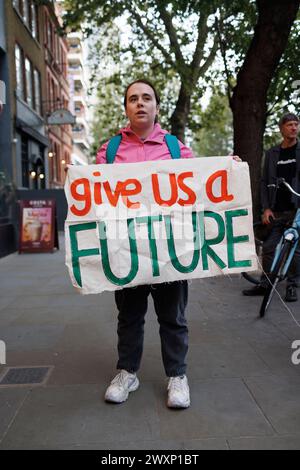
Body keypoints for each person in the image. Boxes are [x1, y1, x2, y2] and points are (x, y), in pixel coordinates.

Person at [96, 79, 193, 409]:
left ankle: (177, 376)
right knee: (129, 317)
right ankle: (127, 373)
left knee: (173, 317)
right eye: (133, 99)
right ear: (126, 108)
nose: (140, 103)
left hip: (169, 249)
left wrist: (231, 171)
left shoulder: (176, 148)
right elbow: (94, 195)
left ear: (156, 106)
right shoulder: (109, 151)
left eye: (147, 98)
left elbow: (203, 183)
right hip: (127, 250)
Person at [243, 112, 300, 301]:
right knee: (268, 247)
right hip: (276, 209)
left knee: (295, 249)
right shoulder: (272, 153)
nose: (293, 128)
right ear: (281, 129)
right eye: (289, 125)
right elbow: (264, 181)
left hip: (296, 209)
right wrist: (266, 208)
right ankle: (264, 283)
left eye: (296, 124)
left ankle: (292, 286)